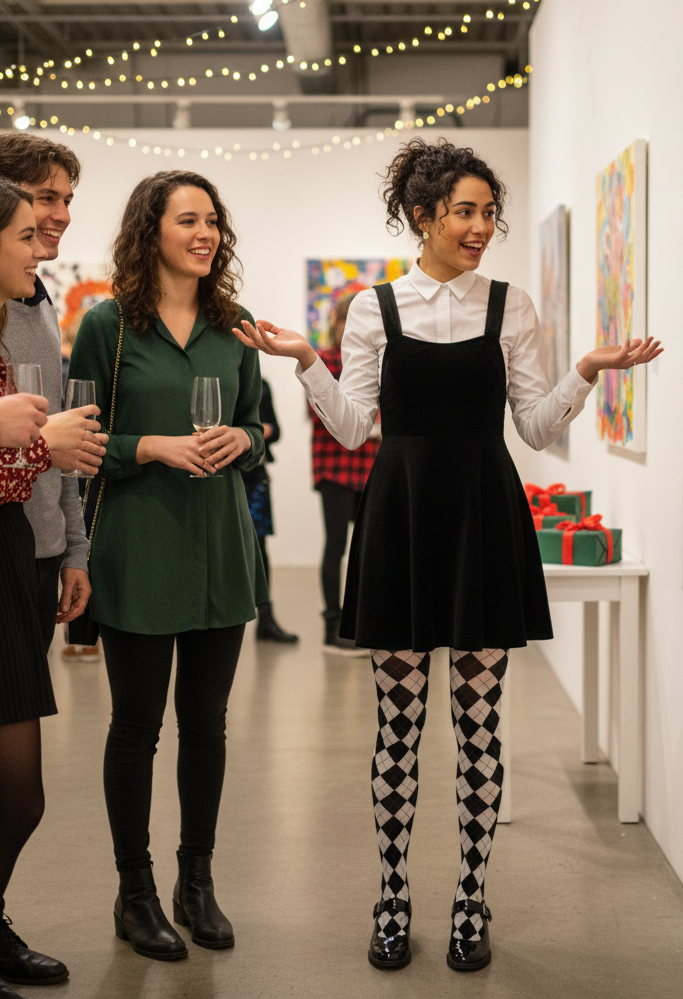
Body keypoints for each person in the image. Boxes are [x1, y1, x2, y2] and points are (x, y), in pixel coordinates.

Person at [233, 139, 663, 973]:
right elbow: (356, 428)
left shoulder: (511, 305)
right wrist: (306, 364)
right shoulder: (374, 308)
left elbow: (534, 426)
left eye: (487, 212)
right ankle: (390, 897)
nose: (479, 226)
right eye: (463, 211)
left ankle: (471, 900)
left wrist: (585, 372)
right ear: (422, 216)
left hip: (478, 515)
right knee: (396, 727)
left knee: (479, 724)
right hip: (398, 517)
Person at [68, 170, 266, 962]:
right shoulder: (106, 326)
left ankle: (196, 883)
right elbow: (75, 442)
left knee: (208, 727)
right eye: (188, 219)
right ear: (150, 230)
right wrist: (148, 445)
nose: (205, 233)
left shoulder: (236, 323)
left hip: (221, 547)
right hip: (138, 547)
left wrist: (242, 441)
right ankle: (135, 892)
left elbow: (256, 425)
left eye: (213, 221)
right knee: (136, 728)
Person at [0, 180, 107, 998]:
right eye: (28, 229)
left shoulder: (28, 315)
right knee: (18, 786)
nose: (45, 247)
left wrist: (72, 543)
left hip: (22, 559)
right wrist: (40, 443)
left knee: (20, 789)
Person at [0, 133, 108, 660]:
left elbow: (59, 439)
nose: (63, 214)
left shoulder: (39, 298)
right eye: (47, 197)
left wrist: (74, 549)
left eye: (67, 200)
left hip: (40, 551)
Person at [311, 293, 379, 654]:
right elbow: (320, 413)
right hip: (335, 468)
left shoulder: (372, 359)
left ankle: (363, 624)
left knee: (368, 549)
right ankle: (332, 627)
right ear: (335, 323)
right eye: (344, 319)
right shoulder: (325, 359)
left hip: (370, 468)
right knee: (335, 546)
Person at [241, 378, 299, 643]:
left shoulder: (260, 384)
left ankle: (265, 618)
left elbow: (275, 430)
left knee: (260, 548)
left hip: (253, 474)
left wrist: (248, 433)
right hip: (218, 472)